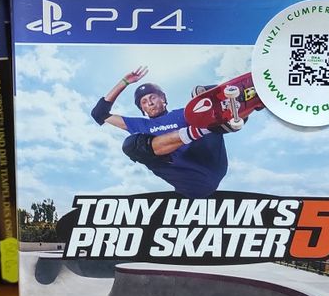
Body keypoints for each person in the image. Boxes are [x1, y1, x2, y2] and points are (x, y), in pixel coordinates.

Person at [90, 66, 237, 198]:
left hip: (211, 163)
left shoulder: (182, 114)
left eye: (153, 97)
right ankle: (209, 125)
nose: (150, 103)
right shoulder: (139, 124)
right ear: (142, 109)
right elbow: (99, 113)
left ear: (163, 98)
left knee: (199, 106)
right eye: (144, 102)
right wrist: (125, 82)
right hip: (192, 182)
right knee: (131, 145)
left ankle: (231, 106)